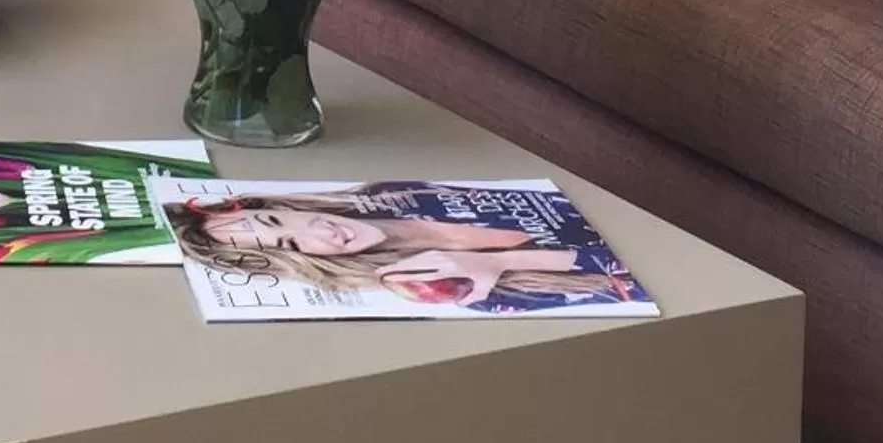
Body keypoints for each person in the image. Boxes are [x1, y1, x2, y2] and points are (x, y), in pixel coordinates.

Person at [160, 184, 647, 311]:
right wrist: (504, 262)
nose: (321, 234)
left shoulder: (396, 189)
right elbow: (627, 283)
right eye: (291, 246)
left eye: (276, 221)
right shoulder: (449, 286)